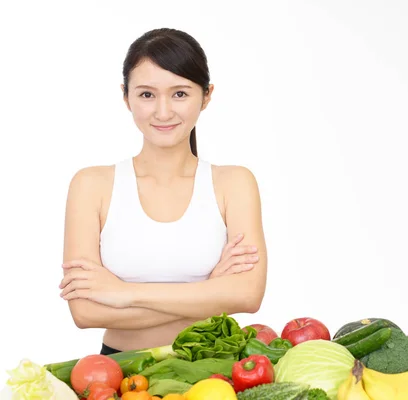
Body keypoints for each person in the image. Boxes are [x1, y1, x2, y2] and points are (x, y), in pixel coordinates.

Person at [57, 28, 268, 355]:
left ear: (206, 95)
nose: (164, 111)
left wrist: (126, 294)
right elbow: (85, 312)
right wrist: (210, 292)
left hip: (214, 371)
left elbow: (248, 296)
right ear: (126, 97)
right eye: (146, 94)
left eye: (180, 94)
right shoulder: (92, 185)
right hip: (117, 373)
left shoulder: (234, 184)